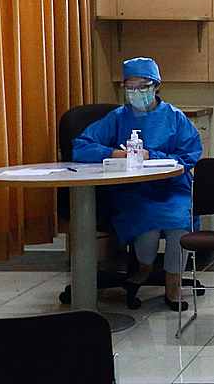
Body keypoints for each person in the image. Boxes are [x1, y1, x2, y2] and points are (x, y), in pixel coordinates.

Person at [73, 57, 202, 310]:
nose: (136, 93)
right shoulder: (117, 118)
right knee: (147, 228)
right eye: (130, 87)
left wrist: (151, 156)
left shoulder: (175, 118)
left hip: (172, 189)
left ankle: (173, 284)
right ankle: (143, 269)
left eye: (143, 87)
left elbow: (190, 155)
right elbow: (81, 146)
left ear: (156, 86)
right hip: (134, 190)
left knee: (179, 224)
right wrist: (115, 153)